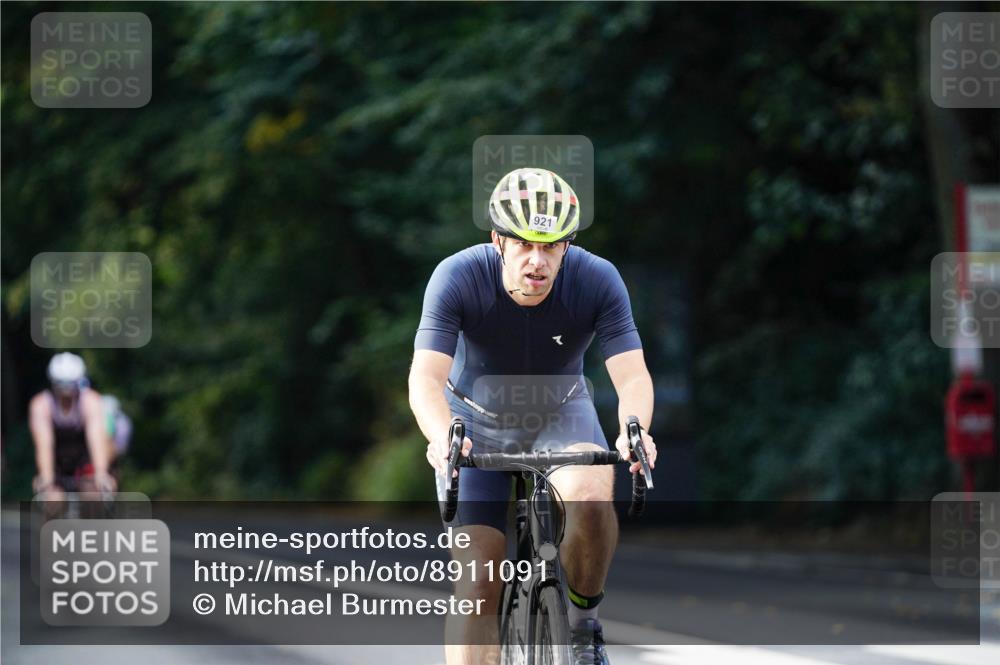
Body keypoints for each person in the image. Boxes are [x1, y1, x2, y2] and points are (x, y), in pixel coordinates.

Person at [409, 167, 657, 665]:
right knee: (479, 578)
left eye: (551, 246)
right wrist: (441, 438)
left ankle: (584, 627)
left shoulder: (597, 279)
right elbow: (425, 379)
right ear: (497, 240)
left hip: (560, 413)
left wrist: (635, 432)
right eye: (524, 244)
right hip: (474, 422)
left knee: (590, 495)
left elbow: (632, 376)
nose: (537, 261)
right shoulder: (457, 276)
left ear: (568, 246)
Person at [29, 352, 116, 501]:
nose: (66, 391)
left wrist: (101, 473)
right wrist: (46, 477)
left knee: (94, 496)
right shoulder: (41, 405)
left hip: (85, 462)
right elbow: (44, 445)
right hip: (57, 463)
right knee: (52, 499)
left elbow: (96, 440)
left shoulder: (91, 401)